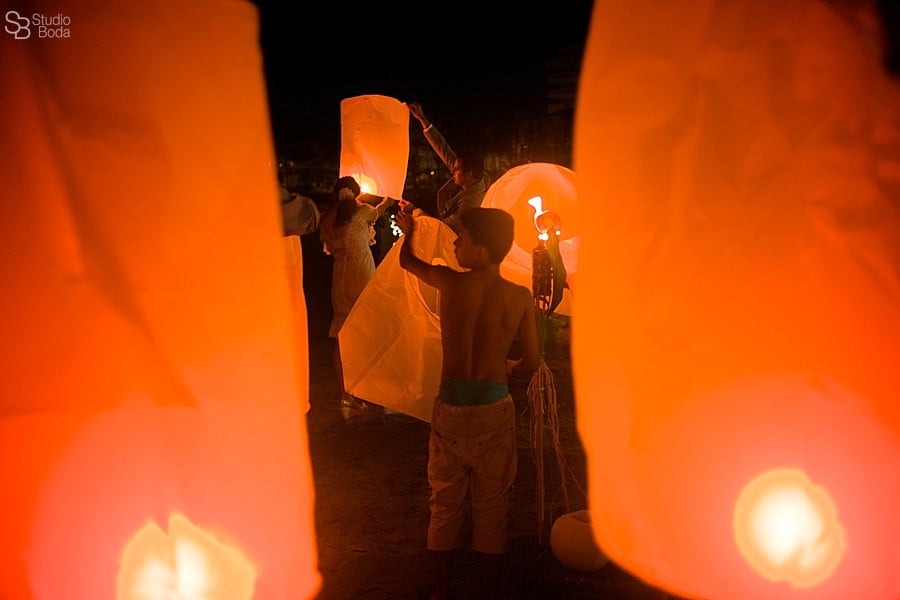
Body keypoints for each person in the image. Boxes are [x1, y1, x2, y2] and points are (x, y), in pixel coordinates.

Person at [396, 207, 539, 600]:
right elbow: (533, 361)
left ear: (481, 251)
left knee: (445, 504)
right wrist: (508, 368)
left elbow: (407, 261)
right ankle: (487, 591)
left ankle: (440, 592)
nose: (455, 244)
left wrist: (409, 231)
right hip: (495, 410)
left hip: (451, 412)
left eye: (462, 239)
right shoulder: (518, 296)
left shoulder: (450, 284)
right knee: (492, 508)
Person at [320, 175, 395, 418]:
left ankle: (346, 398)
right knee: (372, 332)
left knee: (342, 336)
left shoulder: (327, 219)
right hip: (361, 275)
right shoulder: (363, 212)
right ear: (356, 193)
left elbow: (329, 248)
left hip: (338, 279)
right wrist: (389, 194)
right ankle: (381, 393)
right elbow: (383, 208)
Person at [401, 102, 491, 233]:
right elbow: (443, 149)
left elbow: (442, 228)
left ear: (469, 175)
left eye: (456, 169)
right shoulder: (472, 180)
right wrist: (422, 119)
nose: (452, 171)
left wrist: (414, 211)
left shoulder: (471, 202)